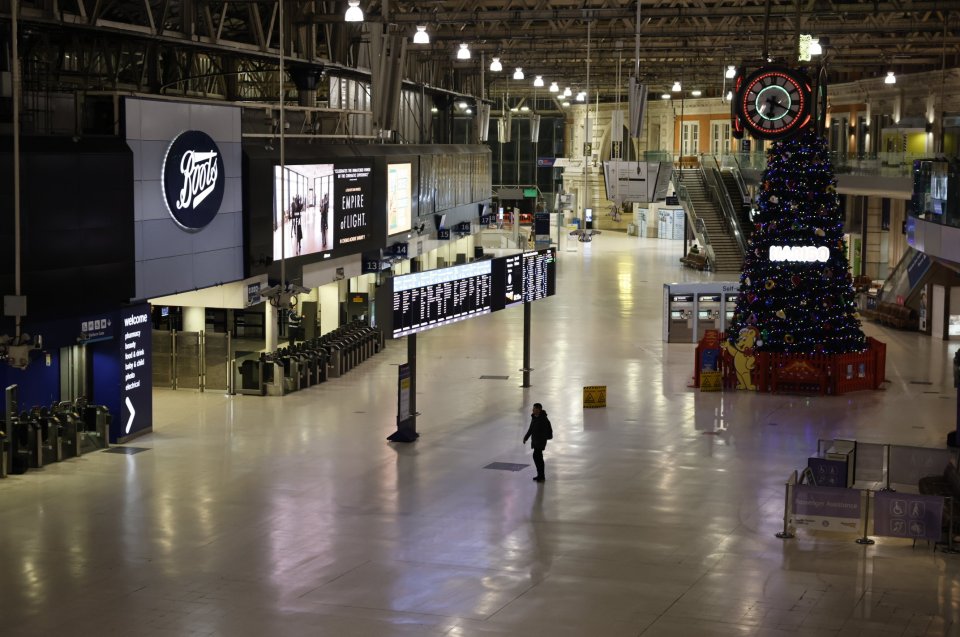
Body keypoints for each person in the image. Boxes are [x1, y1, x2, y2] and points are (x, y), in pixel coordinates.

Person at [523, 403, 553, 482]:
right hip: (535, 441)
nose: (533, 410)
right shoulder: (534, 417)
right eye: (533, 409)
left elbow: (546, 431)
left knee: (537, 457)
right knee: (537, 457)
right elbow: (531, 429)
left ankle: (541, 475)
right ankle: (540, 475)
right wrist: (525, 438)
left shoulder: (543, 419)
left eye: (534, 409)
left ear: (538, 409)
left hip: (540, 442)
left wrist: (542, 440)